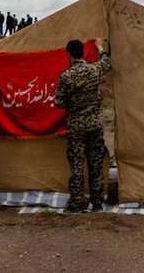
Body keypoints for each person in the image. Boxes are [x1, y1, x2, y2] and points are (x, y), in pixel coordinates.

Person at [55, 38, 111, 213]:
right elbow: (107, 62)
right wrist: (100, 47)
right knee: (95, 163)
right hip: (95, 125)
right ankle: (97, 203)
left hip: (76, 127)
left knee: (77, 165)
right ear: (82, 53)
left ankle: (76, 203)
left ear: (69, 54)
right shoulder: (94, 70)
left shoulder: (65, 77)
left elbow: (59, 103)